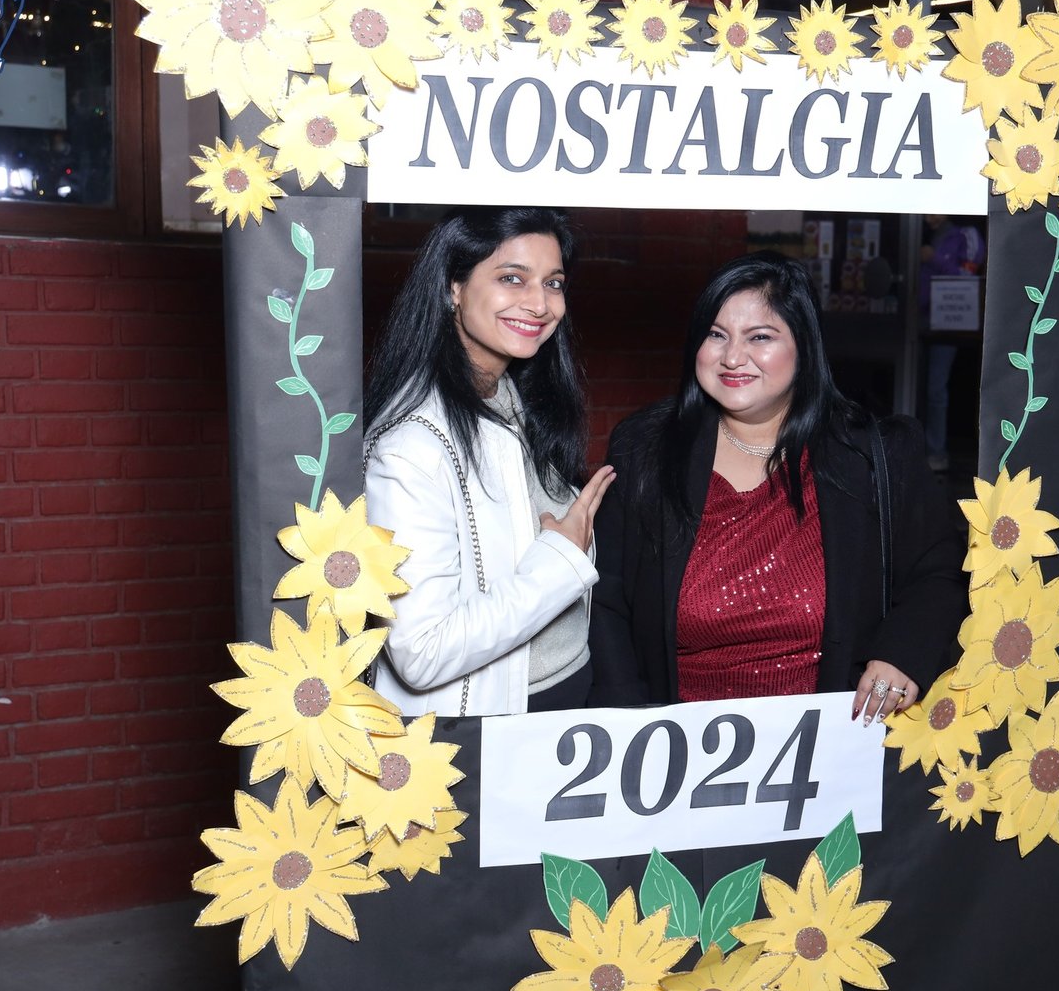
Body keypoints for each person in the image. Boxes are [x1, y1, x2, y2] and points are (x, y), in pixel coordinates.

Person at [589, 251, 966, 724]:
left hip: (831, 741)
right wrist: (628, 722)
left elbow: (939, 572)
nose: (732, 357)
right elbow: (606, 600)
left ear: (804, 346)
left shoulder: (875, 455)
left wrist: (901, 653)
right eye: (716, 334)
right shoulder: (646, 448)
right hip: (677, 746)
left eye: (760, 337)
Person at [363, 207, 615, 716]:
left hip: (564, 697)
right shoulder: (412, 446)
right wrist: (562, 560)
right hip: (495, 724)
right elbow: (421, 652)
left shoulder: (512, 400)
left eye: (553, 283)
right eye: (512, 278)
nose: (540, 304)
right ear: (453, 287)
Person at [919, 214, 986, 473]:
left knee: (936, 388)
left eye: (934, 210)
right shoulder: (917, 234)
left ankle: (936, 453)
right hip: (917, 321)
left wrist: (933, 258)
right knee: (916, 387)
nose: (929, 216)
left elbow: (967, 277)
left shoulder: (965, 234)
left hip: (948, 323)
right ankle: (913, 451)